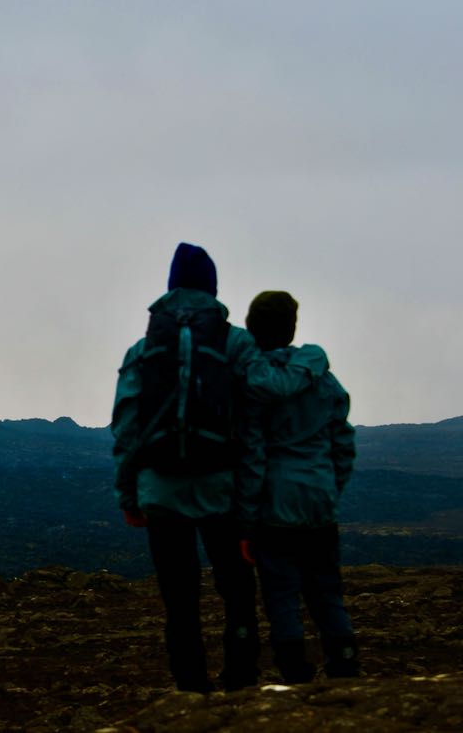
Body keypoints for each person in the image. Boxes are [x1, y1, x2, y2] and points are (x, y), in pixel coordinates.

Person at [111, 243, 329, 693]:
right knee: (237, 594)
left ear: (170, 288)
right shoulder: (235, 343)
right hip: (220, 491)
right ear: (213, 289)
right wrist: (248, 514)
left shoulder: (144, 348)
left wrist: (130, 496)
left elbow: (127, 429)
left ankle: (191, 689)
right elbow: (254, 424)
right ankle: (240, 681)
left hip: (161, 492)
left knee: (180, 599)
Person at [237, 290, 359, 683]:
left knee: (281, 596)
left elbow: (252, 456)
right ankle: (343, 665)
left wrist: (247, 518)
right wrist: (329, 488)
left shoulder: (254, 387)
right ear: (291, 327)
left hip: (275, 505)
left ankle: (294, 673)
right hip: (319, 500)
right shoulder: (324, 381)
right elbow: (343, 445)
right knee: (327, 592)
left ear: (252, 328)